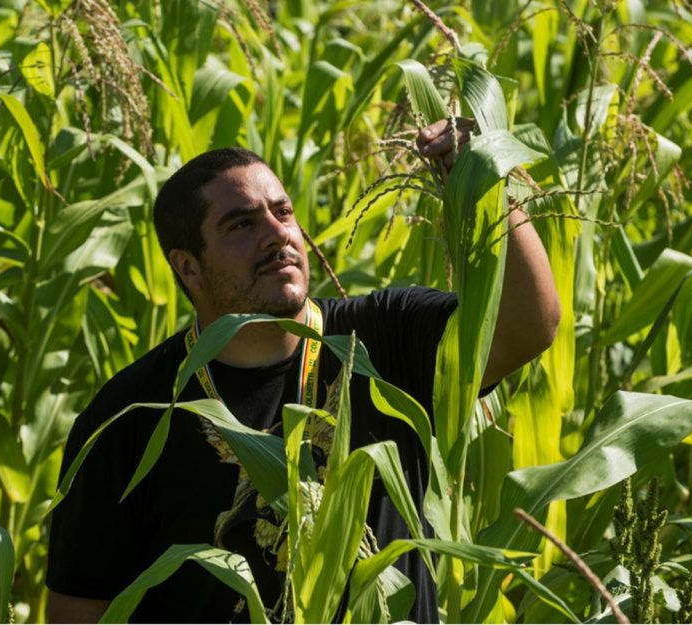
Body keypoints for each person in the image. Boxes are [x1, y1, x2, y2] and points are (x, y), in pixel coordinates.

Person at [46, 118, 560, 623]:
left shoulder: (385, 337)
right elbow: (80, 611)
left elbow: (528, 325)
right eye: (242, 224)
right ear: (188, 268)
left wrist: (485, 179)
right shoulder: (132, 415)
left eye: (283, 212)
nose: (278, 235)